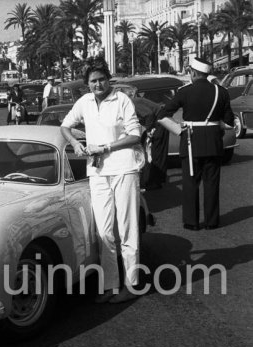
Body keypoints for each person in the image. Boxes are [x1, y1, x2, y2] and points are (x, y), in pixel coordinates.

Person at [60, 56, 142, 304]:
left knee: (127, 228)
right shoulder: (84, 102)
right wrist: (75, 143)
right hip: (96, 172)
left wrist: (106, 147)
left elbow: (135, 135)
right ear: (87, 84)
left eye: (102, 79)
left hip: (124, 168)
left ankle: (132, 284)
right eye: (93, 81)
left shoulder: (122, 100)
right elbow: (65, 126)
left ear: (109, 80)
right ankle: (110, 285)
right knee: (104, 230)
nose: (98, 84)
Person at [157, 57, 234, 230]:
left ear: (193, 72)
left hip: (191, 142)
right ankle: (211, 221)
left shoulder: (184, 91)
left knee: (190, 184)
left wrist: (178, 129)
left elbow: (162, 115)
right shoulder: (221, 91)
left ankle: (191, 222)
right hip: (213, 142)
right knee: (212, 184)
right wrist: (216, 126)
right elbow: (229, 122)